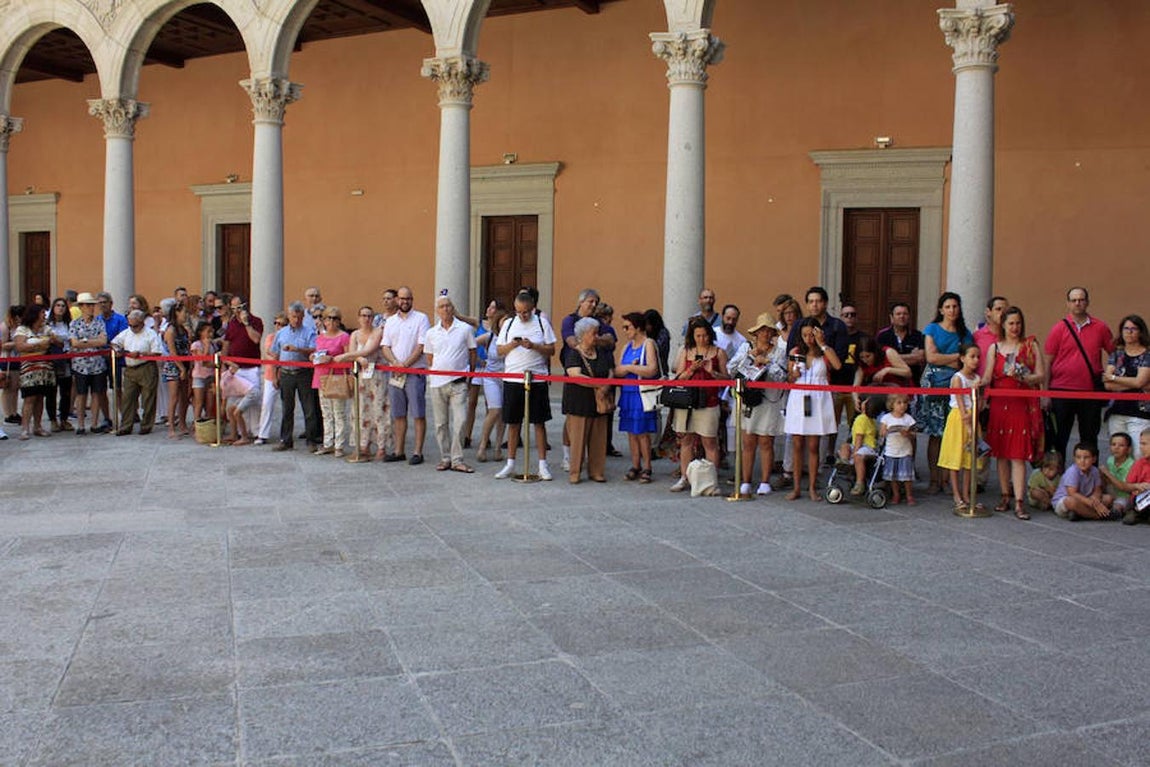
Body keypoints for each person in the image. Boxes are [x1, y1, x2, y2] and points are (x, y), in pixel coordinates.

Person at [981, 306, 1045, 520]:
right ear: (1003, 325)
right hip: (1000, 402)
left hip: (1021, 402)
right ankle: (1004, 495)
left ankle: (1019, 500)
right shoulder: (995, 347)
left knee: (1017, 453)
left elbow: (1041, 375)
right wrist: (972, 383)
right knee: (1000, 453)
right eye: (1011, 323)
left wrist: (1025, 377)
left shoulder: (1030, 345)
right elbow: (988, 375)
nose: (1015, 327)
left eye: (1018, 323)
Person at [494, 290, 557, 480]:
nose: (523, 315)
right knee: (513, 422)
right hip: (513, 378)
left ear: (533, 309)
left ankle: (542, 464)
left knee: (539, 421)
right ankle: (510, 463)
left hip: (536, 378)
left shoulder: (541, 322)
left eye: (526, 312)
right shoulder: (509, 324)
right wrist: (513, 345)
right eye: (519, 312)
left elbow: (552, 350)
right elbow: (499, 350)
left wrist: (534, 346)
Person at [1044, 287, 1114, 458]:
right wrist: (1045, 393)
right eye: (1074, 300)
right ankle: (1057, 480)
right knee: (1059, 439)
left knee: (1090, 439)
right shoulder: (1059, 328)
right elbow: (1048, 362)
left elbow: (1114, 352)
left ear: (1087, 302)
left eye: (1081, 299)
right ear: (1067, 303)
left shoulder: (1100, 327)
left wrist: (1111, 376)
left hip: (1090, 392)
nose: (1078, 303)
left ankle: (1091, 481)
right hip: (1061, 390)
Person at [918, 292, 974, 494]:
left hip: (956, 386)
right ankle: (934, 478)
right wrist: (954, 357)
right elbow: (931, 357)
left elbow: (966, 360)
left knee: (953, 433)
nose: (952, 310)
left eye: (955, 306)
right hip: (934, 384)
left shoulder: (965, 334)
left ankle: (947, 479)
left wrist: (950, 359)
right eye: (948, 306)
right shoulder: (932, 329)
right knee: (935, 433)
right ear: (941, 309)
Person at [784, 317, 841, 501]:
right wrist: (794, 373)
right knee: (797, 444)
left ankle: (812, 487)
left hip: (817, 399)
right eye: (805, 335)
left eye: (812, 334)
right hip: (799, 397)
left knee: (814, 445)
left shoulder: (824, 352)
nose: (809, 338)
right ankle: (796, 487)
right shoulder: (795, 351)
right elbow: (789, 378)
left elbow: (838, 366)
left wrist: (822, 344)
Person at [669, 317, 729, 492]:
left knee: (709, 441)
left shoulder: (718, 352)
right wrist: (692, 369)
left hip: (709, 402)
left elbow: (727, 379)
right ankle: (684, 477)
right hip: (687, 402)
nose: (702, 339)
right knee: (686, 440)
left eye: (704, 335)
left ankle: (711, 480)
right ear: (692, 336)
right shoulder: (686, 351)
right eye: (698, 335)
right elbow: (679, 377)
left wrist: (713, 372)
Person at [730, 312, 786, 497]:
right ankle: (746, 481)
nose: (765, 334)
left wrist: (767, 362)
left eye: (769, 330)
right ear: (756, 332)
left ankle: (765, 481)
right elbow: (731, 369)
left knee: (766, 441)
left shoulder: (779, 352)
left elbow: (782, 376)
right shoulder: (746, 347)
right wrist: (750, 357)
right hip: (749, 399)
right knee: (748, 441)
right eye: (762, 330)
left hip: (770, 400)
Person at [424, 295, 478, 473]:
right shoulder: (431, 333)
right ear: (437, 311)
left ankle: (457, 458)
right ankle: (445, 457)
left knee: (461, 420)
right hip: (438, 383)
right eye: (442, 306)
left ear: (452, 308)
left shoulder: (464, 329)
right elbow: (430, 358)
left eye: (448, 306)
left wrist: (469, 375)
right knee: (441, 423)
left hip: (459, 382)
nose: (446, 309)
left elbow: (472, 352)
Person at [562, 316, 616, 483]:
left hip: (599, 402)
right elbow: (575, 375)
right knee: (577, 440)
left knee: (599, 439)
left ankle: (597, 471)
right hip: (578, 402)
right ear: (583, 335)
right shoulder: (574, 353)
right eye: (594, 333)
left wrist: (606, 385)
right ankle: (575, 472)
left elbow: (610, 370)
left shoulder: (601, 353)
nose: (597, 336)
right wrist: (598, 386)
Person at [381, 286, 430, 465]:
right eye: (402, 299)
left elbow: (421, 345)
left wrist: (406, 364)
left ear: (412, 300)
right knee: (398, 413)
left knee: (418, 413)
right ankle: (398, 450)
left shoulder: (421, 318)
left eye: (408, 299)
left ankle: (418, 452)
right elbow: (385, 346)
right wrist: (395, 363)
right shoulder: (390, 322)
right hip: (395, 373)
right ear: (397, 300)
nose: (404, 302)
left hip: (414, 372)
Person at [336, 305, 390, 460]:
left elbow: (369, 350)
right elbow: (356, 353)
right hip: (360, 376)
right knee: (360, 410)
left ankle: (381, 445)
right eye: (364, 315)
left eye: (369, 316)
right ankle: (363, 445)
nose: (366, 319)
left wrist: (345, 357)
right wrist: (357, 358)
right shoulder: (354, 334)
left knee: (379, 410)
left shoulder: (377, 332)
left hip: (377, 377)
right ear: (359, 317)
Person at [615, 311, 660, 484]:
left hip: (641, 393)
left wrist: (631, 368)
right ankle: (635, 465)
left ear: (638, 327)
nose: (625, 331)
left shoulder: (648, 343)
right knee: (631, 432)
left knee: (642, 432)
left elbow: (651, 369)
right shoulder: (627, 346)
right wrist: (628, 367)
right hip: (628, 392)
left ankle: (647, 466)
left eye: (628, 327)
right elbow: (618, 370)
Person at [937, 344, 983, 513]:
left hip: (973, 416)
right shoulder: (958, 378)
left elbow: (980, 402)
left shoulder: (977, 378)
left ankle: (967, 494)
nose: (976, 360)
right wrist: (967, 422)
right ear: (963, 358)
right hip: (959, 419)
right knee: (956, 457)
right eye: (972, 356)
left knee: (969, 460)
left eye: (978, 357)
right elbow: (961, 403)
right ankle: (957, 495)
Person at [270, 302, 321, 452]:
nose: (296, 320)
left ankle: (311, 440)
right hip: (286, 373)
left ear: (303, 317)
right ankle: (285, 440)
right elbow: (275, 353)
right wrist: (275, 375)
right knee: (287, 408)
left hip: (304, 373)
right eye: (293, 317)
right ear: (289, 316)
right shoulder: (281, 332)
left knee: (309, 408)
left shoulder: (309, 332)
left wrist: (298, 349)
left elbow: (314, 349)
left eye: (299, 317)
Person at [109, 309, 164, 435]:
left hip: (146, 367)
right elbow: (114, 342)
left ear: (142, 322)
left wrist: (141, 354)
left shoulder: (150, 334)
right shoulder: (126, 333)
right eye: (130, 325)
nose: (133, 328)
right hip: (130, 368)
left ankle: (146, 425)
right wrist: (118, 350)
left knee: (148, 398)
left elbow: (157, 352)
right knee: (127, 398)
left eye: (135, 325)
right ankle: (126, 425)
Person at [1103, 315, 1150, 458]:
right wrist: (1134, 383)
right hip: (1117, 410)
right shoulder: (1116, 354)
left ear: (1141, 332)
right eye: (1126, 328)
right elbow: (1107, 384)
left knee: (1138, 454)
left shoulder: (1147, 355)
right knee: (1118, 455)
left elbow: (1139, 382)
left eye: (1133, 329)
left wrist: (1115, 378)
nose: (1129, 332)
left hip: (1140, 412)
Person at [220, 295, 264, 444]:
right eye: (233, 309)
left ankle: (256, 431)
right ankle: (238, 433)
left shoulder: (256, 321)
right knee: (234, 402)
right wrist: (225, 363)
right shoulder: (231, 323)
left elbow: (256, 339)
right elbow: (226, 344)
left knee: (254, 400)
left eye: (239, 308)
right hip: (236, 369)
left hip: (252, 368)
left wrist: (246, 323)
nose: (236, 311)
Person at [311, 306, 352, 456]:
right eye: (329, 318)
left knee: (339, 412)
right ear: (324, 320)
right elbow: (316, 353)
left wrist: (333, 359)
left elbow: (349, 356)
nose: (332, 321)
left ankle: (339, 445)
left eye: (335, 318)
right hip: (321, 376)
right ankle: (328, 442)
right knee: (326, 412)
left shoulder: (344, 337)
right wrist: (314, 357)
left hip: (338, 377)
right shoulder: (320, 337)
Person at [13, 304, 57, 439]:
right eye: (42, 313)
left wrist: (52, 339)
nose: (44, 315)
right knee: (29, 398)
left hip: (44, 368)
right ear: (35, 314)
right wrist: (39, 344)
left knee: (40, 397)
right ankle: (25, 428)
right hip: (29, 368)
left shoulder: (46, 328)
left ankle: (37, 426)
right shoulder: (22, 329)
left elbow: (56, 341)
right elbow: (20, 346)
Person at [68, 293, 109, 435]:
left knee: (97, 393)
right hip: (80, 365)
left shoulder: (99, 322)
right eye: (88, 305)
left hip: (97, 364)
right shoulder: (74, 323)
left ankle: (94, 423)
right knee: (81, 394)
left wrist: (84, 341)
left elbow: (103, 341)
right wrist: (91, 341)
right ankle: (80, 424)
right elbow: (74, 343)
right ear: (81, 307)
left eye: (92, 305)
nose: (91, 308)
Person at [475, 302, 509, 463]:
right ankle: (482, 445)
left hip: (507, 378)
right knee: (494, 410)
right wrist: (478, 360)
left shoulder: (512, 339)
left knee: (503, 414)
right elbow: (472, 343)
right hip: (491, 377)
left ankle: (497, 447)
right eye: (503, 320)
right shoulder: (489, 337)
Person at [830, 300, 864, 445]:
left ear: (857, 318)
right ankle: (830, 453)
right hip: (836, 385)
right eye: (846, 315)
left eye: (852, 314)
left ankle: (851, 453)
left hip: (854, 387)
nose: (849, 317)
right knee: (832, 424)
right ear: (841, 317)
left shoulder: (863, 338)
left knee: (855, 423)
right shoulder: (834, 335)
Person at [1053, 442, 1114, 521]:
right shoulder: (1073, 471)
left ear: (1094, 459)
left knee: (1108, 498)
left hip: (1086, 498)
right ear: (1074, 459)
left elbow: (1097, 489)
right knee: (1070, 501)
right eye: (1078, 457)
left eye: (1086, 457)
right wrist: (1091, 503)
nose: (1082, 461)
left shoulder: (1094, 471)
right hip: (1066, 500)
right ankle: (1096, 516)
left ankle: (1080, 513)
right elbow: (1072, 493)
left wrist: (1096, 500)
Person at [851, 336, 912, 413]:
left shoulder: (888, 352)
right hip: (877, 395)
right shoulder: (861, 363)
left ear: (875, 353)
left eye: (868, 356)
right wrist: (855, 398)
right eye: (862, 357)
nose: (865, 360)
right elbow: (856, 386)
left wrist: (887, 370)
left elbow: (908, 372)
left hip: (896, 394)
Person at [876, 302, 926, 386]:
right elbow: (880, 359)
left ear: (909, 316)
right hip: (889, 383)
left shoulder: (917, 335)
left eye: (905, 314)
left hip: (913, 382)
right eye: (898, 314)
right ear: (891, 317)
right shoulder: (882, 335)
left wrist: (892, 358)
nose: (902, 317)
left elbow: (920, 358)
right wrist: (911, 357)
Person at [255, 312, 287, 446]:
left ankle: (286, 435)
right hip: (270, 374)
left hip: (286, 374)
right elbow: (272, 354)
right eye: (277, 323)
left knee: (287, 406)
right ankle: (262, 433)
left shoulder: (289, 337)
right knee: (267, 403)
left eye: (282, 324)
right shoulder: (271, 337)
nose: (278, 326)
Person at [162, 302, 192, 438]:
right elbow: (173, 352)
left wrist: (188, 366)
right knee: (174, 397)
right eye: (184, 312)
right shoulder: (171, 330)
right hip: (174, 366)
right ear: (177, 313)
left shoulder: (183, 330)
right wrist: (181, 368)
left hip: (185, 363)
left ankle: (182, 423)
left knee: (184, 396)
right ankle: (171, 427)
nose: (186, 315)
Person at [880, 392, 917, 505]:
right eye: (899, 403)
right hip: (891, 451)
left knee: (906, 476)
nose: (902, 405)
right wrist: (886, 431)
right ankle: (896, 494)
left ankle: (909, 494)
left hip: (905, 451)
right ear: (892, 405)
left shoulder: (908, 419)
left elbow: (914, 434)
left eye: (905, 403)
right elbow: (882, 432)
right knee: (893, 476)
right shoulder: (886, 418)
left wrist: (908, 434)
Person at [45, 297, 74, 431]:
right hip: (52, 360)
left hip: (66, 360)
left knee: (66, 391)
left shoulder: (69, 324)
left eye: (63, 306)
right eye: (58, 305)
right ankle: (52, 420)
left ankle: (64, 418)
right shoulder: (47, 324)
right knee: (51, 391)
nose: (60, 308)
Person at [845, 397, 883, 496]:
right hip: (869, 447)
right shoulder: (874, 421)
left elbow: (859, 437)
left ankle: (859, 482)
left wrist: (855, 451)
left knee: (857, 455)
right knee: (846, 446)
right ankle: (846, 462)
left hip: (865, 447)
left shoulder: (861, 419)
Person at [1119, 428, 1150, 525]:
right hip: (1140, 499)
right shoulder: (1139, 464)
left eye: (1144, 444)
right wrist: (1137, 486)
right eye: (1140, 444)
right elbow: (1126, 486)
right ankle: (1135, 512)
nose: (1141, 447)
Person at [1101, 432, 1135, 520]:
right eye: (1113, 444)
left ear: (1128, 449)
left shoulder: (1131, 464)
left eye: (1121, 445)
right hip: (1112, 492)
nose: (1116, 448)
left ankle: (1114, 513)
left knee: (1118, 505)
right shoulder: (1110, 460)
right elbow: (1108, 482)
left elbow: (1123, 487)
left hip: (1125, 496)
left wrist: (1107, 473)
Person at [973, 296, 1009, 377]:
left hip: (1004, 385)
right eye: (998, 309)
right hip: (983, 385)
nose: (1003, 313)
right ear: (988, 312)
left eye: (1006, 311)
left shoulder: (1011, 337)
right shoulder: (977, 336)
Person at [190, 320, 217, 422]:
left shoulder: (212, 345)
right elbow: (203, 361)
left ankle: (208, 424)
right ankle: (197, 423)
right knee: (199, 402)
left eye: (211, 331)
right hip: (199, 376)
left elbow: (212, 362)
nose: (210, 334)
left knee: (210, 403)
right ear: (201, 332)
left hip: (210, 376)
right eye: (208, 331)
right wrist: (205, 347)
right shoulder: (196, 345)